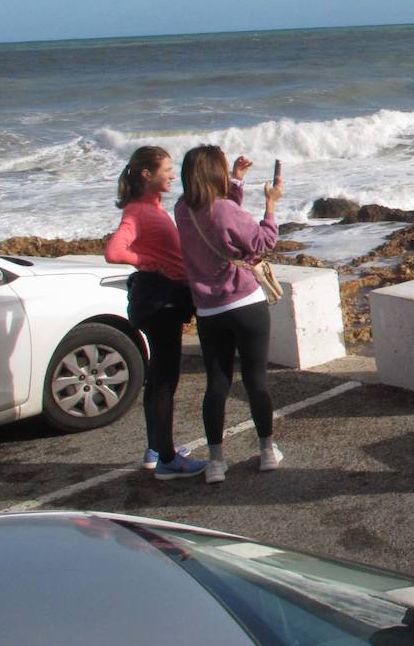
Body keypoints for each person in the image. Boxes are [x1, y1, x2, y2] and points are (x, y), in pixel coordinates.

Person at [175, 145, 284, 485]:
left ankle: (216, 461)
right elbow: (262, 242)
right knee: (255, 380)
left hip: (209, 311)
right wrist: (271, 205)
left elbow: (220, 222)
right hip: (245, 303)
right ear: (214, 173)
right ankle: (267, 451)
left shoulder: (182, 210)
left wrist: (237, 180)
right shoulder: (223, 210)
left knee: (217, 384)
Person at [105, 146, 207, 480]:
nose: (172, 175)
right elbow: (114, 251)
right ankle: (166, 459)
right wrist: (146, 262)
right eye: (166, 169)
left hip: (163, 301)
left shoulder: (151, 207)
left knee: (161, 375)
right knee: (164, 379)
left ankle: (156, 447)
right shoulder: (137, 211)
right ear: (146, 174)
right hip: (159, 303)